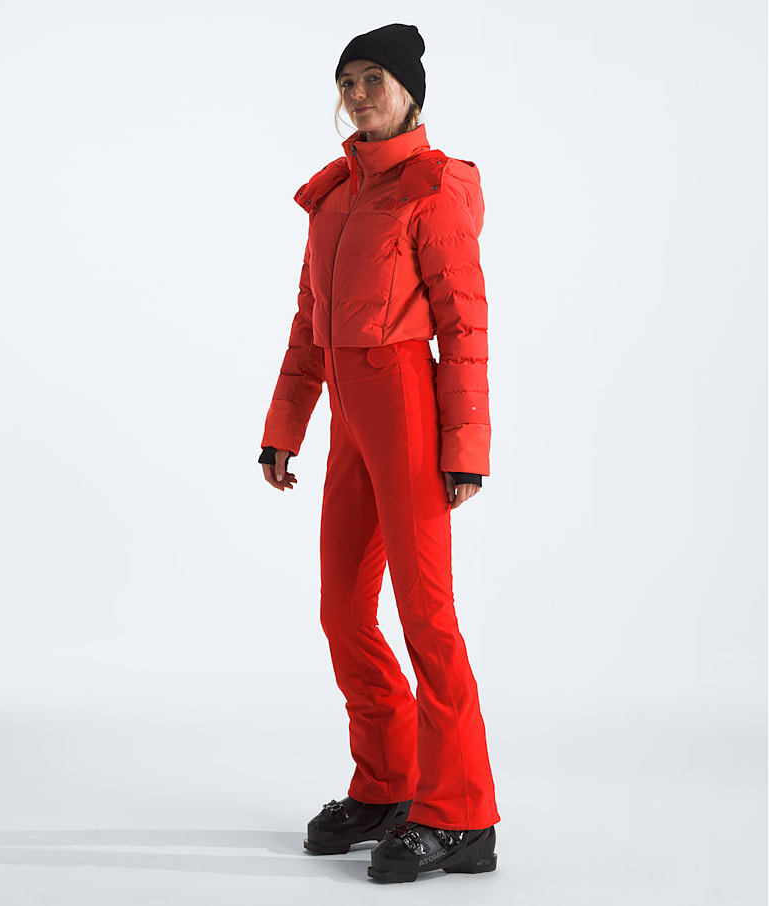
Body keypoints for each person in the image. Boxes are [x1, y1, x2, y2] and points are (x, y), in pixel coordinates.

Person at [258, 23, 500, 883]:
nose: (358, 94)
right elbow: (309, 324)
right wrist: (284, 427)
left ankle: (462, 816)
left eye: (374, 79)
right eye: (348, 81)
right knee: (343, 611)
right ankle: (389, 784)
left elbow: (464, 324)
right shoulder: (333, 196)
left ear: (410, 92)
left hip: (405, 406)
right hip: (348, 420)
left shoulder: (434, 189)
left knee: (426, 615)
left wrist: (464, 446)